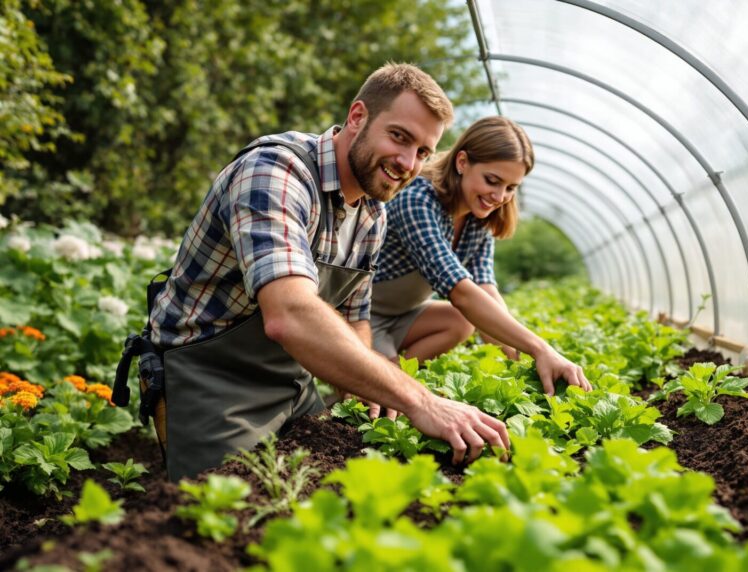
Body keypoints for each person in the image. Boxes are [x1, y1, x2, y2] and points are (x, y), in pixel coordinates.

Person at [115, 64, 509, 481]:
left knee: (341, 478)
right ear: (358, 117)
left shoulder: (373, 213)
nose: (408, 162)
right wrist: (420, 401)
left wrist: (365, 392)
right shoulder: (276, 172)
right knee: (235, 510)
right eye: (399, 137)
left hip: (292, 378)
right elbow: (290, 313)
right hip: (208, 379)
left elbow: (357, 320)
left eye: (424, 152)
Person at [369, 116, 592, 416]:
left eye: (511, 187)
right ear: (462, 162)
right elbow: (460, 292)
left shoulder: (479, 219)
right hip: (361, 317)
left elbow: (485, 290)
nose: (500, 197)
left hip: (403, 317)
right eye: (492, 180)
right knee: (374, 404)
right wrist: (541, 349)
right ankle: (384, 376)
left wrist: (521, 364)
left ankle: (399, 372)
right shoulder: (418, 201)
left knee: (462, 322)